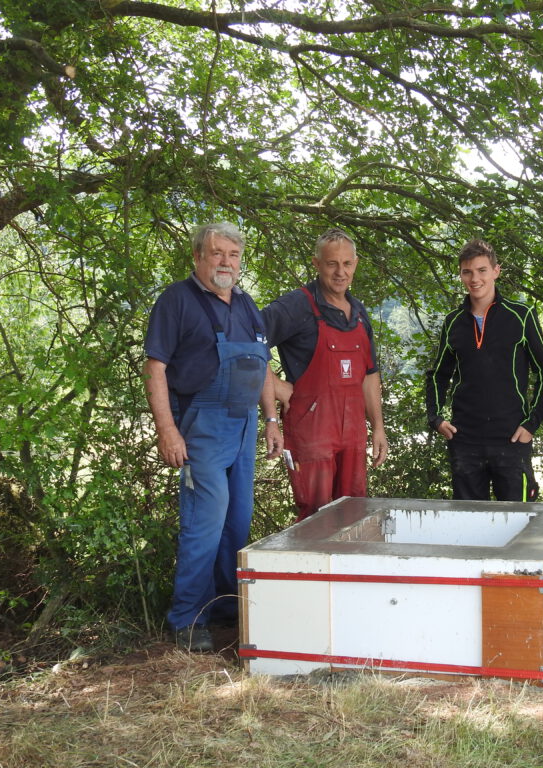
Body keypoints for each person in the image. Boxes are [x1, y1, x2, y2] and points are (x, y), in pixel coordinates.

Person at [144, 222, 283, 652]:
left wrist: (272, 419)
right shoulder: (177, 300)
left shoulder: (246, 304)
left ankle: (224, 609)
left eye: (233, 255)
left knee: (237, 522)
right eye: (217, 253)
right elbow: (155, 367)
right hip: (201, 426)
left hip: (243, 427)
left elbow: (260, 366)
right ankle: (187, 618)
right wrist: (167, 430)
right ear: (198, 257)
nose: (226, 262)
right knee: (205, 524)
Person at [262, 228, 388, 521]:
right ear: (317, 264)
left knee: (355, 513)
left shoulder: (358, 312)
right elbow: (247, 340)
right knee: (314, 518)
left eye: (346, 263)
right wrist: (276, 387)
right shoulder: (296, 305)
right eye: (332, 264)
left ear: (355, 264)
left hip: (353, 433)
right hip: (311, 431)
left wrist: (378, 427)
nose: (340, 272)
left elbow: (370, 375)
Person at [426, 238, 543, 501]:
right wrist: (436, 419)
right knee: (468, 525)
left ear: (496, 271)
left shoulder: (521, 315)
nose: (475, 278)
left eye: (482, 270)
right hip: (464, 440)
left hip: (511, 438)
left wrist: (532, 423)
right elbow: (438, 375)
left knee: (519, 525)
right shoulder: (453, 322)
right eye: (467, 272)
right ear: (461, 275)